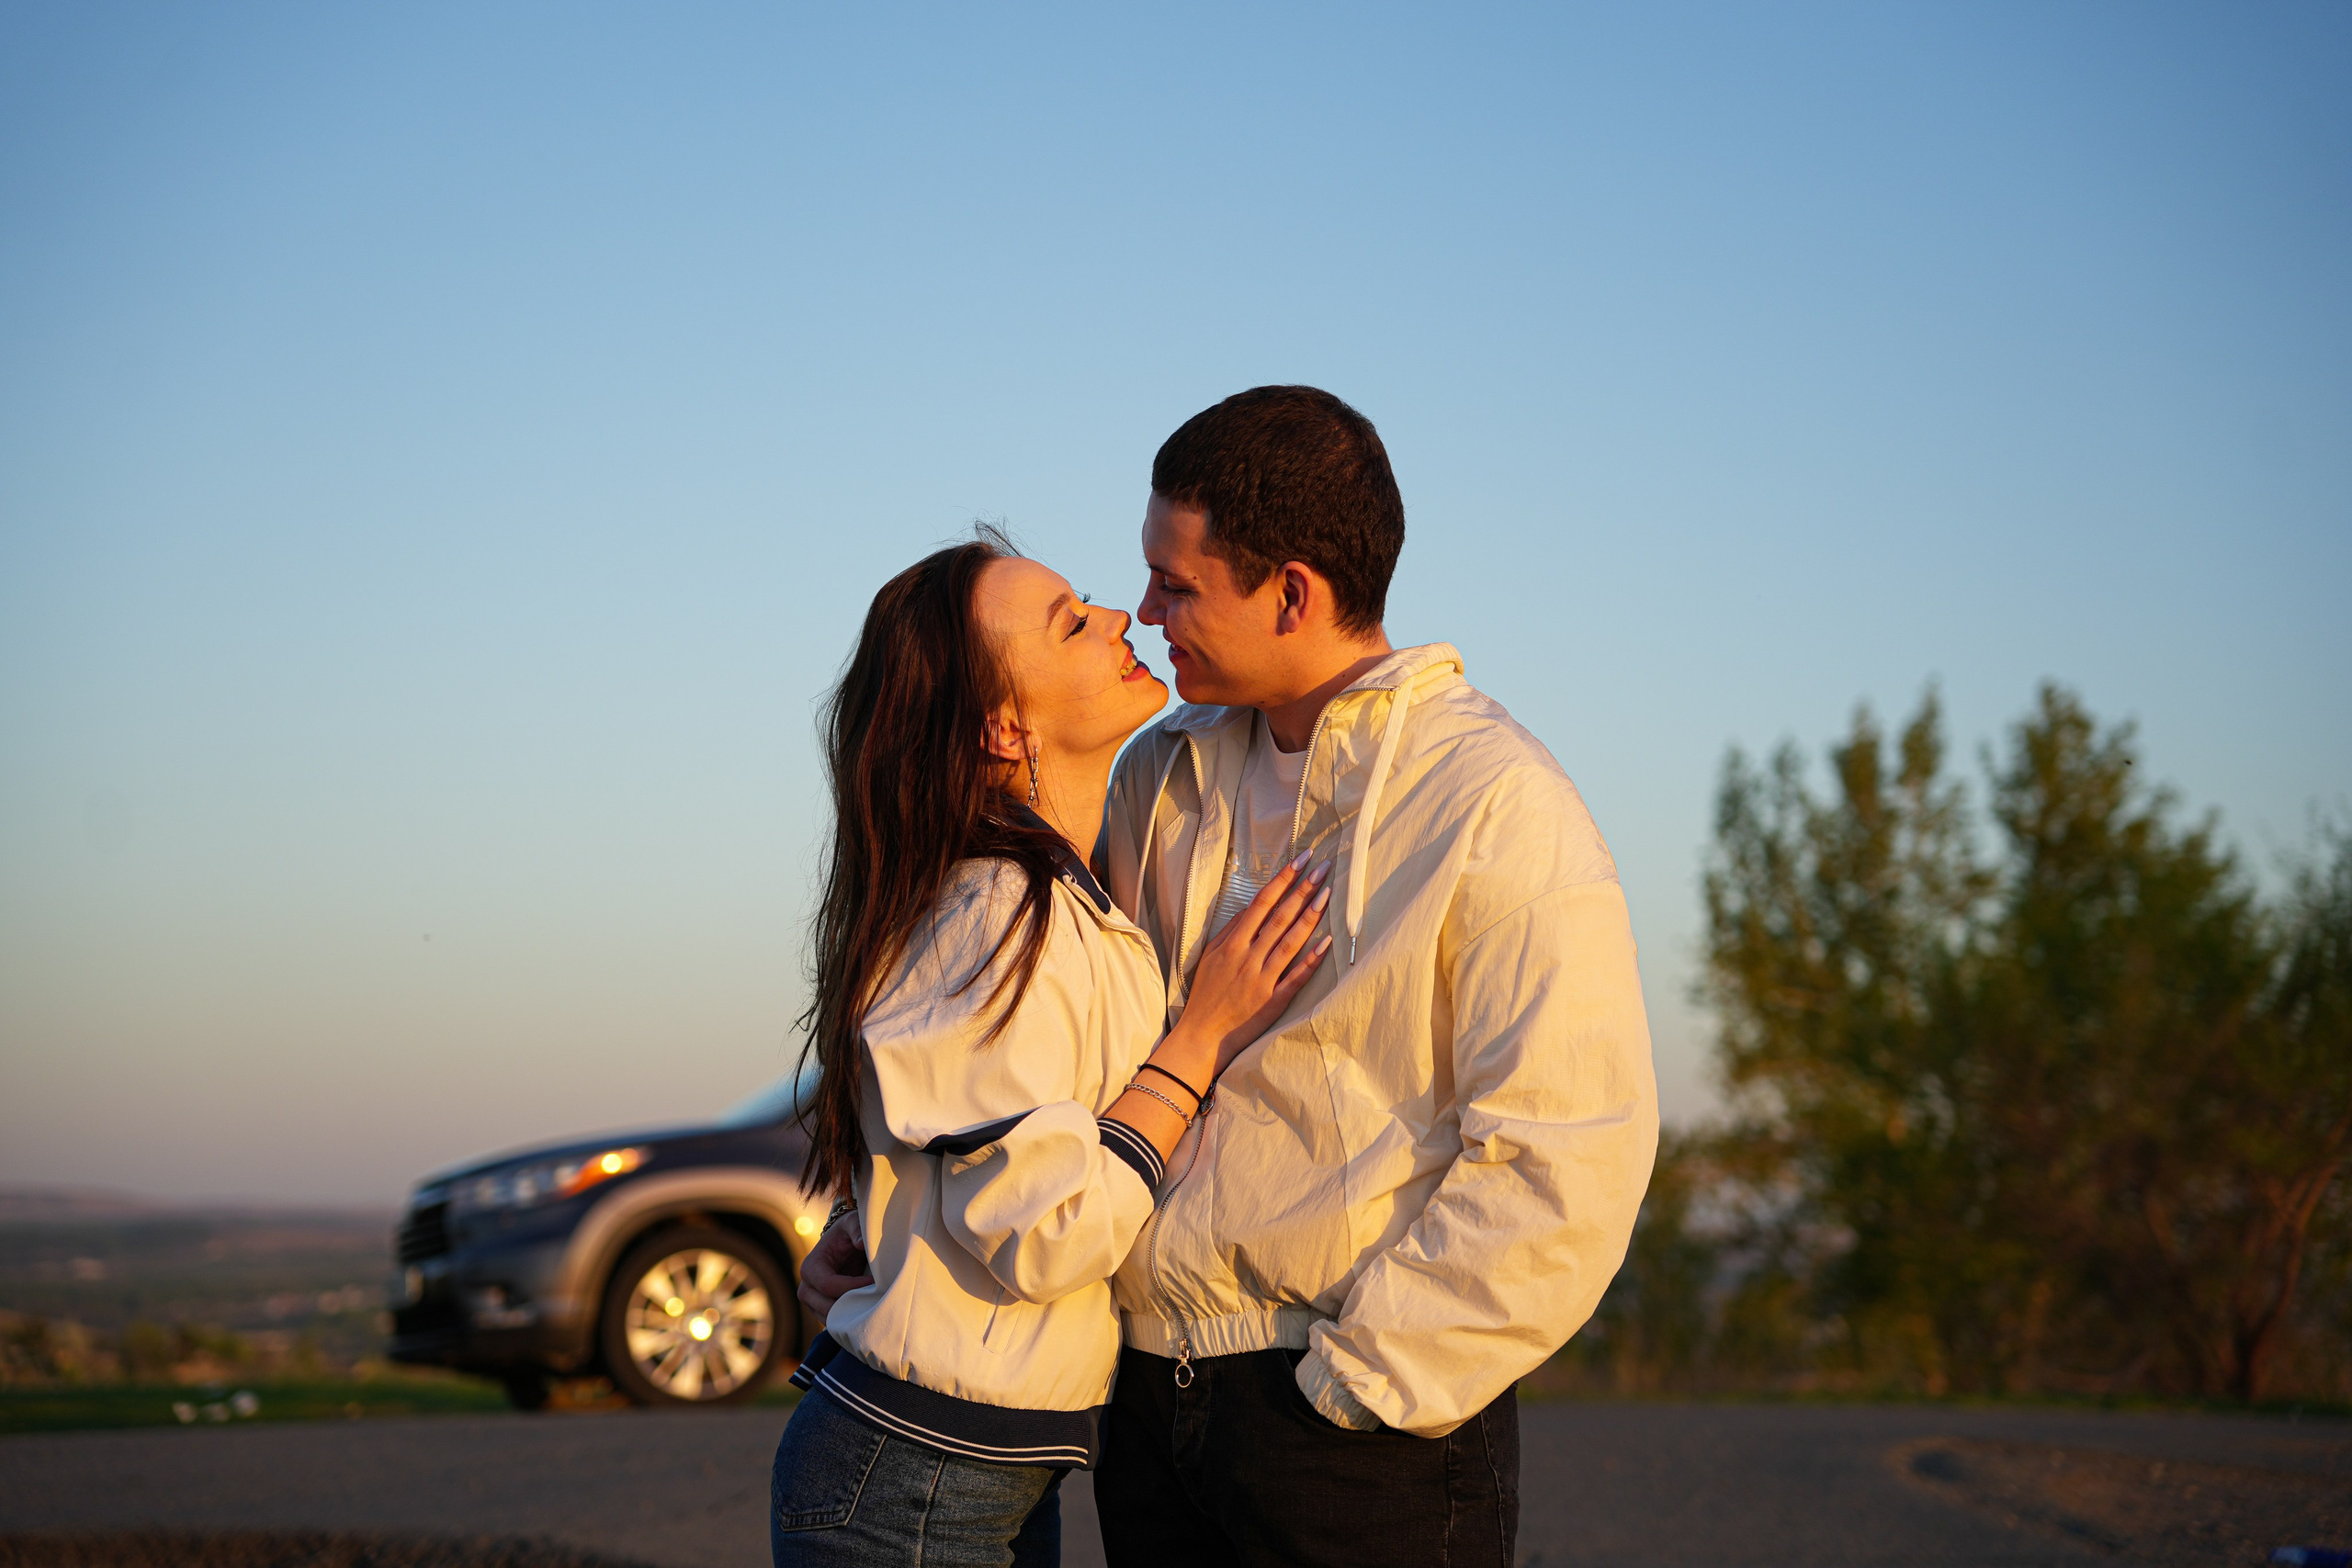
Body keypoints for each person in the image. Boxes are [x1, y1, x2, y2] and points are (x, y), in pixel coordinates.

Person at [803, 388, 1660, 1567]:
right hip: (1141, 1414)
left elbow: (1570, 1148)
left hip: (1353, 1427)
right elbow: (999, 1033)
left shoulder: (1493, 803)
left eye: (1177, 583)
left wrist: (1363, 1386)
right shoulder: (1153, 774)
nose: (1144, 611)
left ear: (1291, 592)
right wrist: (876, 1218)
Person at [769, 528, 1332, 1567]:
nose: (1121, 617)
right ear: (999, 727)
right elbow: (1051, 1232)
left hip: (975, 1470)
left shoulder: (1057, 900)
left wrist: (877, 1234)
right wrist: (1200, 1037)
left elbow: (962, 1120)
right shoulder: (995, 907)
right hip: (914, 1483)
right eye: (1073, 622)